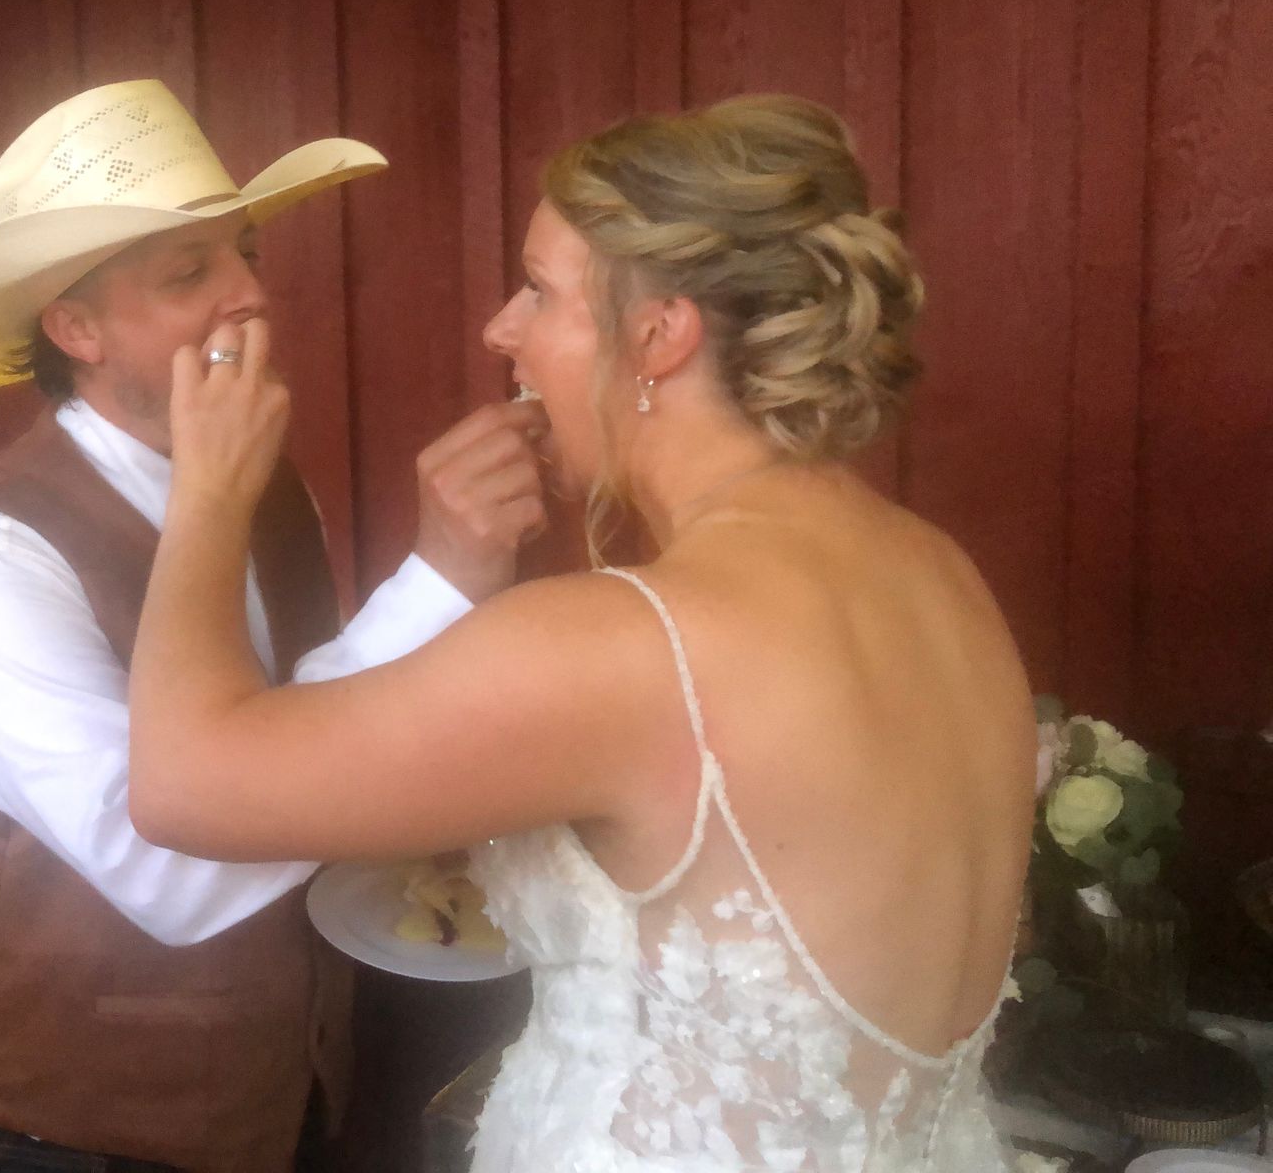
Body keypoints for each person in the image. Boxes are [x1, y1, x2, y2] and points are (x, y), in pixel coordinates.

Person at [128, 95, 1037, 1171]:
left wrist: (207, 497)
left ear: (658, 333)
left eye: (540, 290)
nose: (500, 330)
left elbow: (182, 781)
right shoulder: (943, 577)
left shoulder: (630, 646)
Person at [0, 79, 550, 1173]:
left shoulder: (267, 489)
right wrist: (440, 581)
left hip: (296, 1075)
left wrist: (453, 588)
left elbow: (285, 715)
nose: (249, 295)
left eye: (245, 255)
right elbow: (175, 869)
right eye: (191, 272)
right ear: (75, 328)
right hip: (86, 1122)